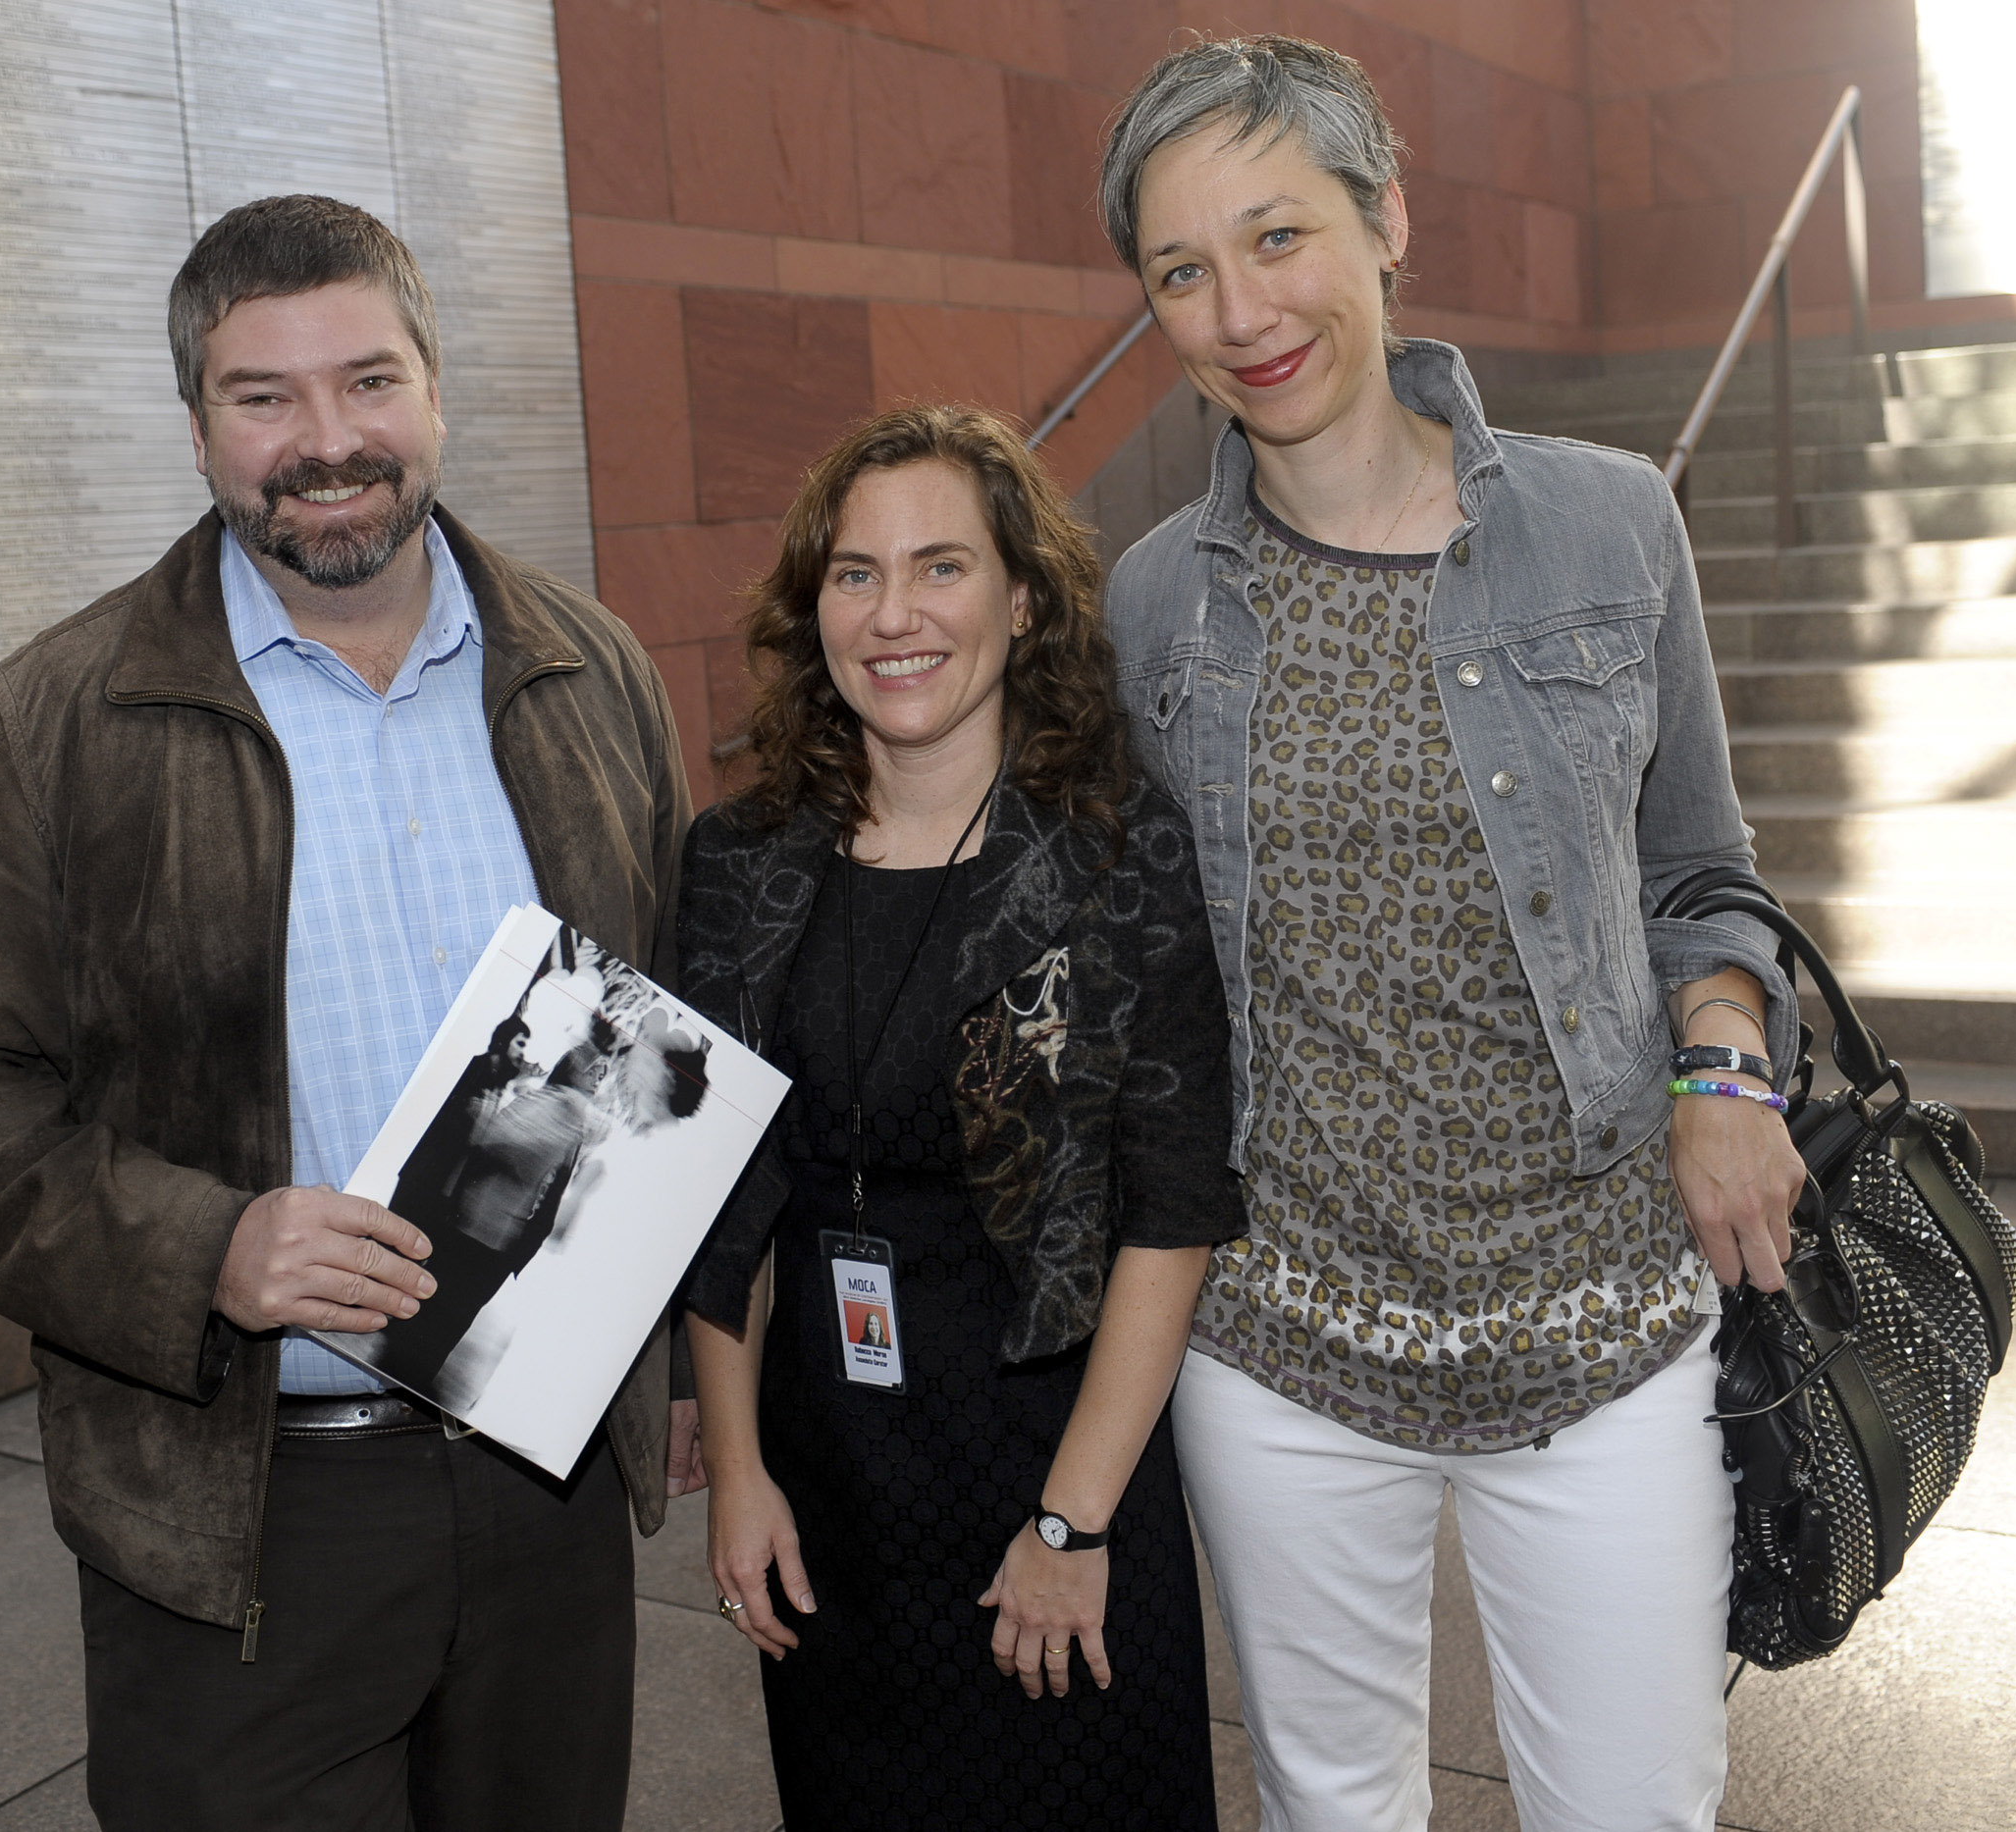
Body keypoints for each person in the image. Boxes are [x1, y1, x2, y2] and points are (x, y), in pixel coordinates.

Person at [0, 193, 695, 1832]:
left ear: (435, 390)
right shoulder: (54, 724)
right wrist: (200, 1247)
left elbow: (664, 1033)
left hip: (544, 1483)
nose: (327, 441)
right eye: (264, 396)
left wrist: (683, 1367)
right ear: (202, 425)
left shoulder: (595, 674)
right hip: (240, 1516)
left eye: (368, 382)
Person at [1094, 37, 1812, 1832]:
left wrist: (1726, 1065)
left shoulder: (1605, 521)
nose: (1238, 310)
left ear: (1385, 218)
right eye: (1181, 271)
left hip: (1602, 1327)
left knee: (1632, 1806)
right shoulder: (1156, 598)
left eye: (1277, 237)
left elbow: (1702, 871)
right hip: (1282, 1346)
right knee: (1331, 1808)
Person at [675, 404, 1247, 1832]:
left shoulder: (1118, 850)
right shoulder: (740, 859)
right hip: (829, 1477)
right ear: (815, 612)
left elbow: (1171, 1213)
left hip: (1047, 1454)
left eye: (942, 566)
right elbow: (718, 1190)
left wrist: (1073, 1521)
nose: (895, 613)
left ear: (1026, 598)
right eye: (855, 574)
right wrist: (737, 1472)